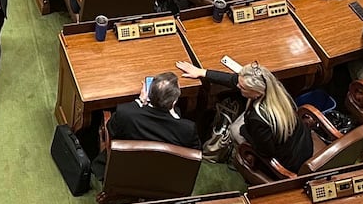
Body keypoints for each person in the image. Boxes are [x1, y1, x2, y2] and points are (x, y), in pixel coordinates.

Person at [174, 59, 312, 172]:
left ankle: (236, 161)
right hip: (303, 143)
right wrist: (202, 72)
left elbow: (266, 151)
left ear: (257, 93)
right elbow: (233, 80)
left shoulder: (257, 119)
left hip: (288, 161)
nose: (238, 87)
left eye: (243, 88)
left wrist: (244, 130)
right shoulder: (275, 90)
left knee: (235, 130)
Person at [105, 71, 197, 147]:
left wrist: (139, 101)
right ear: (174, 101)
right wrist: (176, 116)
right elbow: (193, 155)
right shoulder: (187, 130)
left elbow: (111, 129)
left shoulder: (125, 114)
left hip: (127, 166)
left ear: (149, 94)